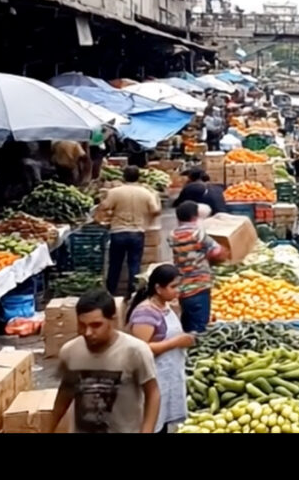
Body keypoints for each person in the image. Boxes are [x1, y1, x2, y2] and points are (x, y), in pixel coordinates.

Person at [50, 289, 160, 433]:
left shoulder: (135, 351)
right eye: (82, 325)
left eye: (96, 325)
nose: (88, 332)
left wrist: (147, 430)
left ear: (113, 320)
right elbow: (66, 391)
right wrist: (49, 427)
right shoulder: (70, 351)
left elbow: (153, 393)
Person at [126, 264, 196, 433]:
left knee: (162, 423)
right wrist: (176, 342)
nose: (178, 290)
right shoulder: (145, 313)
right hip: (152, 379)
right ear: (158, 288)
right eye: (173, 286)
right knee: (152, 423)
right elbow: (141, 349)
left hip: (167, 377)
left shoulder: (165, 306)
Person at [99, 166, 162, 296]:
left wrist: (111, 212)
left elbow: (104, 207)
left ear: (123, 177)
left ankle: (110, 292)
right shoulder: (146, 193)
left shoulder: (115, 192)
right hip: (137, 232)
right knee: (134, 264)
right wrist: (147, 218)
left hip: (118, 232)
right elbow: (155, 210)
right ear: (138, 177)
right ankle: (133, 293)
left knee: (115, 264)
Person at [170, 201, 227, 333]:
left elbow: (186, 249)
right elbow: (216, 251)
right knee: (200, 326)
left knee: (187, 321)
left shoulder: (172, 235)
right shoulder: (198, 234)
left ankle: (187, 342)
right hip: (199, 284)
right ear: (195, 216)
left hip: (182, 285)